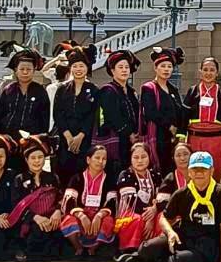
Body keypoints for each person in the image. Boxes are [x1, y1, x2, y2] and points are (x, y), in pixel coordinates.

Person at [121, 151, 221, 262]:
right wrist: (170, 233)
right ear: (189, 172)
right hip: (183, 236)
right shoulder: (181, 193)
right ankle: (143, 258)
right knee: (147, 248)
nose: (199, 173)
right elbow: (164, 217)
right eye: (195, 169)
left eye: (204, 169)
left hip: (206, 243)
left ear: (211, 171)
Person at [51, 49, 101, 188]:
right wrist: (68, 136)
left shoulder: (94, 89)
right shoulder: (62, 89)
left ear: (87, 67)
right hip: (64, 138)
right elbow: (57, 113)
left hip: (85, 138)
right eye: (75, 66)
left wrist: (80, 136)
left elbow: (93, 115)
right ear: (70, 68)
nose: (78, 69)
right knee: (63, 171)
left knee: (82, 171)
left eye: (81, 66)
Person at [0, 49, 51, 168]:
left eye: (28, 69)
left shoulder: (40, 91)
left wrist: (38, 138)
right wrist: (1, 136)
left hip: (32, 140)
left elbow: (44, 119)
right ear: (16, 70)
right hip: (9, 140)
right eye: (22, 69)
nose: (25, 72)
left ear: (33, 71)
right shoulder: (8, 90)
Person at [11, 137, 64, 261]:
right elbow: (17, 204)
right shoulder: (20, 179)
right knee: (36, 232)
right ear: (26, 160)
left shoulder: (52, 178)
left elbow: (60, 198)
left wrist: (57, 211)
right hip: (30, 220)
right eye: (33, 158)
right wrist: (35, 217)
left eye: (40, 158)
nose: (37, 161)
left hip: (51, 218)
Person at [60, 143, 114, 257]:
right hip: (81, 214)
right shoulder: (77, 178)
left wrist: (99, 215)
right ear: (88, 160)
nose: (101, 161)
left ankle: (94, 248)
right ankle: (78, 247)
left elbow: (112, 202)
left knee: (108, 221)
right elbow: (69, 201)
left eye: (104, 159)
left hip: (99, 215)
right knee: (69, 220)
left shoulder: (109, 179)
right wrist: (81, 215)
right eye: (97, 158)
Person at [137, 47, 184, 172]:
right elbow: (151, 113)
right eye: (163, 66)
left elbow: (180, 111)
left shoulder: (173, 89)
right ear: (155, 68)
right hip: (158, 136)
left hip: (174, 138)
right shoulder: (149, 88)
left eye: (169, 67)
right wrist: (169, 126)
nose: (166, 69)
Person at [184, 56, 221, 173]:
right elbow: (184, 116)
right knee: (198, 171)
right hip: (196, 141)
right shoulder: (192, 91)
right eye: (205, 70)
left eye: (212, 70)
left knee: (218, 171)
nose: (208, 73)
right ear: (200, 72)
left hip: (219, 142)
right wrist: (181, 139)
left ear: (217, 73)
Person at [97, 50, 140, 184]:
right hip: (117, 139)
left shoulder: (131, 91)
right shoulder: (108, 90)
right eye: (120, 67)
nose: (124, 70)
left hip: (132, 140)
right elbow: (113, 116)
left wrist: (137, 133)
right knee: (116, 173)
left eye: (126, 67)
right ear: (112, 70)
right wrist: (128, 133)